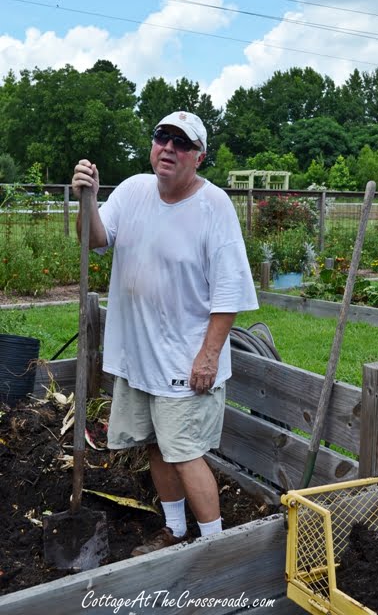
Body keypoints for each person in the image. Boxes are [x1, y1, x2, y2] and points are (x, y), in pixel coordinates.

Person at [71, 110, 258, 555]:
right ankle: (175, 530)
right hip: (139, 357)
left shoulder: (214, 206)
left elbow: (229, 292)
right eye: (162, 138)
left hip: (186, 360)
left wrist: (209, 356)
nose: (169, 148)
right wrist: (89, 199)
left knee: (185, 452)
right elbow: (94, 239)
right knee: (156, 446)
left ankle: (215, 548)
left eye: (181, 142)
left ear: (199, 157)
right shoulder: (133, 190)